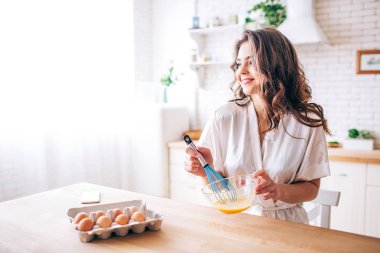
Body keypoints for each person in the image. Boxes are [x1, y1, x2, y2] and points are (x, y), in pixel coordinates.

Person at [184, 28, 330, 224]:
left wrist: (277, 190)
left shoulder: (307, 122)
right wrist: (204, 170)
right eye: (238, 63)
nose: (241, 72)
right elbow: (223, 192)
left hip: (289, 227)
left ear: (276, 64)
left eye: (251, 62)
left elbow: (311, 189)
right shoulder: (223, 116)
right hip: (236, 222)